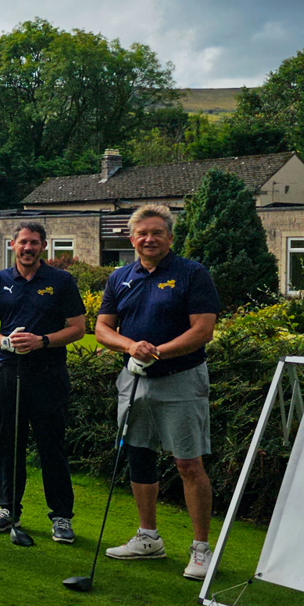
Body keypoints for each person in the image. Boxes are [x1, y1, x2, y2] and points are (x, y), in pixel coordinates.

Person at [94, 203, 221, 580]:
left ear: (170, 237)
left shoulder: (192, 273)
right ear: (132, 239)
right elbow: (102, 328)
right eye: (142, 234)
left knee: (188, 463)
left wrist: (157, 352)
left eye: (157, 233)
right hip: (133, 379)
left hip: (181, 378)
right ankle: (148, 538)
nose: (149, 239)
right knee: (139, 454)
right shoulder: (120, 277)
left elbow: (203, 329)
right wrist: (131, 347)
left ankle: (201, 548)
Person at [0, 221, 87, 543]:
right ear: (13, 245)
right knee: (9, 442)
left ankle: (61, 516)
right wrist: (4, 342)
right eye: (23, 242)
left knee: (52, 444)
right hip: (9, 370)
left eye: (34, 243)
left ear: (43, 246)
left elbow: (78, 327)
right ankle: (7, 509)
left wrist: (42, 341)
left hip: (49, 372)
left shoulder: (61, 281)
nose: (28, 248)